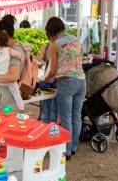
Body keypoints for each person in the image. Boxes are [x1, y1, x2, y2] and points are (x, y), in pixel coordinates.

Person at [43, 17, 85, 161]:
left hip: (66, 82)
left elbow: (53, 70)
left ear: (51, 32)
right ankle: (73, 148)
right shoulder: (76, 39)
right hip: (81, 81)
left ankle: (65, 151)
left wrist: (43, 80)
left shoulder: (54, 45)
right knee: (76, 116)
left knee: (66, 117)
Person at [0, 15, 26, 112]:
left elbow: (13, 77)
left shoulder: (14, 49)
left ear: (4, 34)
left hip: (6, 95)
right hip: (3, 93)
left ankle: (22, 109)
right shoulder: (8, 49)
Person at [38, 42, 58, 123]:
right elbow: (40, 63)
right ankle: (52, 124)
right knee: (55, 106)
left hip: (48, 80)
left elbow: (39, 64)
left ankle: (46, 123)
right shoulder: (65, 46)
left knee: (46, 106)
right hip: (56, 80)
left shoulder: (46, 47)